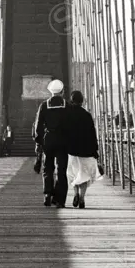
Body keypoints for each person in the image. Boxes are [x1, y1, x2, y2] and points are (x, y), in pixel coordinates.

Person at [33, 79, 70, 207]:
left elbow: (38, 125)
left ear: (50, 91)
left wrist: (38, 141)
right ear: (62, 91)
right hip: (63, 142)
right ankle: (60, 200)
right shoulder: (67, 106)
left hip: (48, 141)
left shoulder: (44, 105)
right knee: (61, 170)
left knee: (47, 168)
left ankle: (48, 194)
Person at [66, 90, 102, 209]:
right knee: (84, 175)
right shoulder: (86, 115)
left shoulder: (67, 114)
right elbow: (92, 134)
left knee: (73, 174)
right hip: (85, 150)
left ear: (71, 100)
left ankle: (75, 193)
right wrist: (95, 150)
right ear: (82, 101)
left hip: (71, 149)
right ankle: (82, 198)